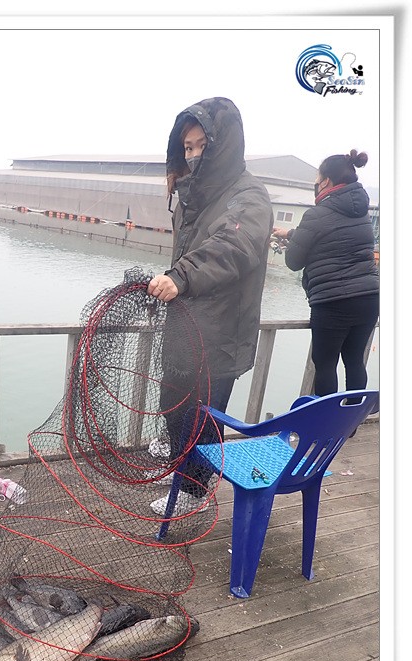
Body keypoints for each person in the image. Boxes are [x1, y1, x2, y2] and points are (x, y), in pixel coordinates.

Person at [146, 97, 274, 517]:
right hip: (185, 326)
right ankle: (179, 470)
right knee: (173, 404)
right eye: (188, 147)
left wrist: (180, 277)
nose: (194, 155)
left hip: (220, 334)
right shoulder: (191, 194)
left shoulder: (249, 195)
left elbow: (233, 245)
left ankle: (195, 491)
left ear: (224, 146)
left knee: (203, 418)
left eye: (203, 146)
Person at [272, 150, 379, 399]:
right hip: (369, 298)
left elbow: (293, 261)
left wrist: (292, 241)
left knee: (326, 364)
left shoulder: (316, 214)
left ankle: (327, 420)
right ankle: (352, 418)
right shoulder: (361, 212)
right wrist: (291, 234)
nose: (316, 184)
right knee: (354, 360)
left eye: (317, 179)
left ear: (326, 182)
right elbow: (332, 235)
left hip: (333, 302)